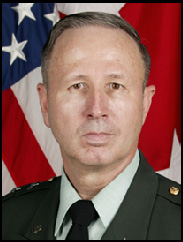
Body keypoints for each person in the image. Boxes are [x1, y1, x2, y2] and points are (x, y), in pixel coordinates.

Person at [2, 12, 181, 240]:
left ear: (145, 104)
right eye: (77, 85)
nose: (96, 109)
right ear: (45, 105)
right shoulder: (7, 219)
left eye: (115, 85)